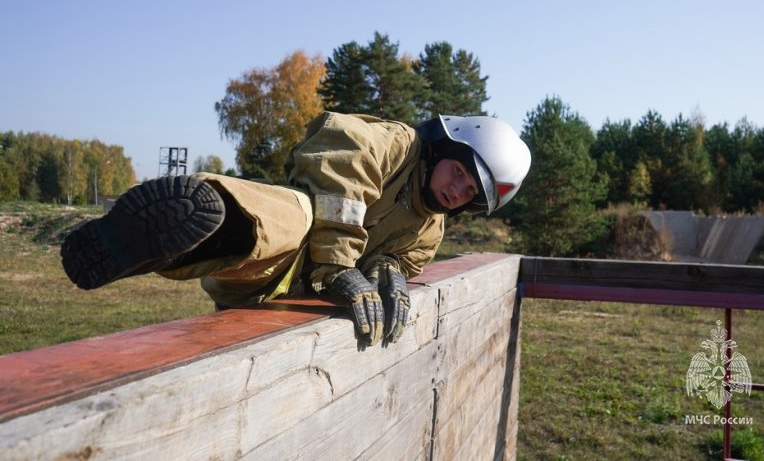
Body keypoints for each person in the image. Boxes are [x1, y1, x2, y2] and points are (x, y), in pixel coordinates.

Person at [61, 112, 531, 347]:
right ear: (444, 145)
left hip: (295, 301)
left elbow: (407, 262)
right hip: (264, 258)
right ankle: (139, 242)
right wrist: (337, 264)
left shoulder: (431, 229)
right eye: (459, 172)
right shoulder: (397, 145)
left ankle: (148, 242)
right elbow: (343, 150)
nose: (458, 190)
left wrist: (387, 267)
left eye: (471, 191)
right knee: (300, 213)